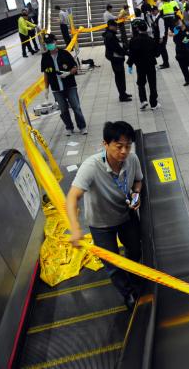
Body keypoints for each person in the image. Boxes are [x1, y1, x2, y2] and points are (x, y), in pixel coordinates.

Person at [66, 121, 143, 309]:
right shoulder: (91, 167)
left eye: (128, 146)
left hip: (126, 215)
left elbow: (138, 180)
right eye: (119, 146)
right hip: (101, 224)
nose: (124, 151)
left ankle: (134, 276)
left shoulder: (132, 159)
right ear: (105, 144)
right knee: (112, 263)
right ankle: (128, 294)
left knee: (135, 249)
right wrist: (75, 230)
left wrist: (135, 194)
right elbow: (71, 198)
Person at [41, 33, 87, 136]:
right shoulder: (45, 57)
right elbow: (46, 74)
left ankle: (82, 126)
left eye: (51, 42)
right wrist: (46, 89)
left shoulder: (65, 53)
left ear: (55, 42)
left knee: (76, 107)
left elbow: (75, 67)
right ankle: (69, 127)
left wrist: (68, 73)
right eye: (47, 43)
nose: (50, 45)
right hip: (56, 88)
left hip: (70, 85)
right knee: (63, 109)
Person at [127, 19, 160, 110]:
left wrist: (130, 64)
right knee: (152, 84)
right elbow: (157, 54)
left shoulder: (133, 40)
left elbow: (132, 54)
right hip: (150, 64)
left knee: (141, 83)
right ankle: (153, 104)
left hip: (140, 65)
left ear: (137, 29)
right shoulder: (151, 40)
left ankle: (143, 100)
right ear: (147, 29)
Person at [103, 19, 132, 102]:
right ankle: (122, 96)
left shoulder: (110, 34)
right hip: (116, 58)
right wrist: (126, 53)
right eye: (115, 26)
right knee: (119, 77)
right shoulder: (110, 36)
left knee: (120, 76)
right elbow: (116, 48)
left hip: (116, 58)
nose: (117, 28)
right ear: (111, 26)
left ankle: (123, 93)